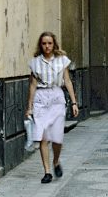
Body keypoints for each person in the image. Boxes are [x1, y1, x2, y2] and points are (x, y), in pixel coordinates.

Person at [25, 31, 79, 184]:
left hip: (56, 97)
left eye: (49, 43)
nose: (47, 46)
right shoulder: (35, 63)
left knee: (57, 138)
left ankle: (56, 161)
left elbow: (67, 81)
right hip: (40, 99)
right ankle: (47, 171)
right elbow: (32, 85)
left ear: (54, 44)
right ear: (40, 45)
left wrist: (74, 102)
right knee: (43, 136)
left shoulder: (62, 61)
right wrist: (29, 107)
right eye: (44, 43)